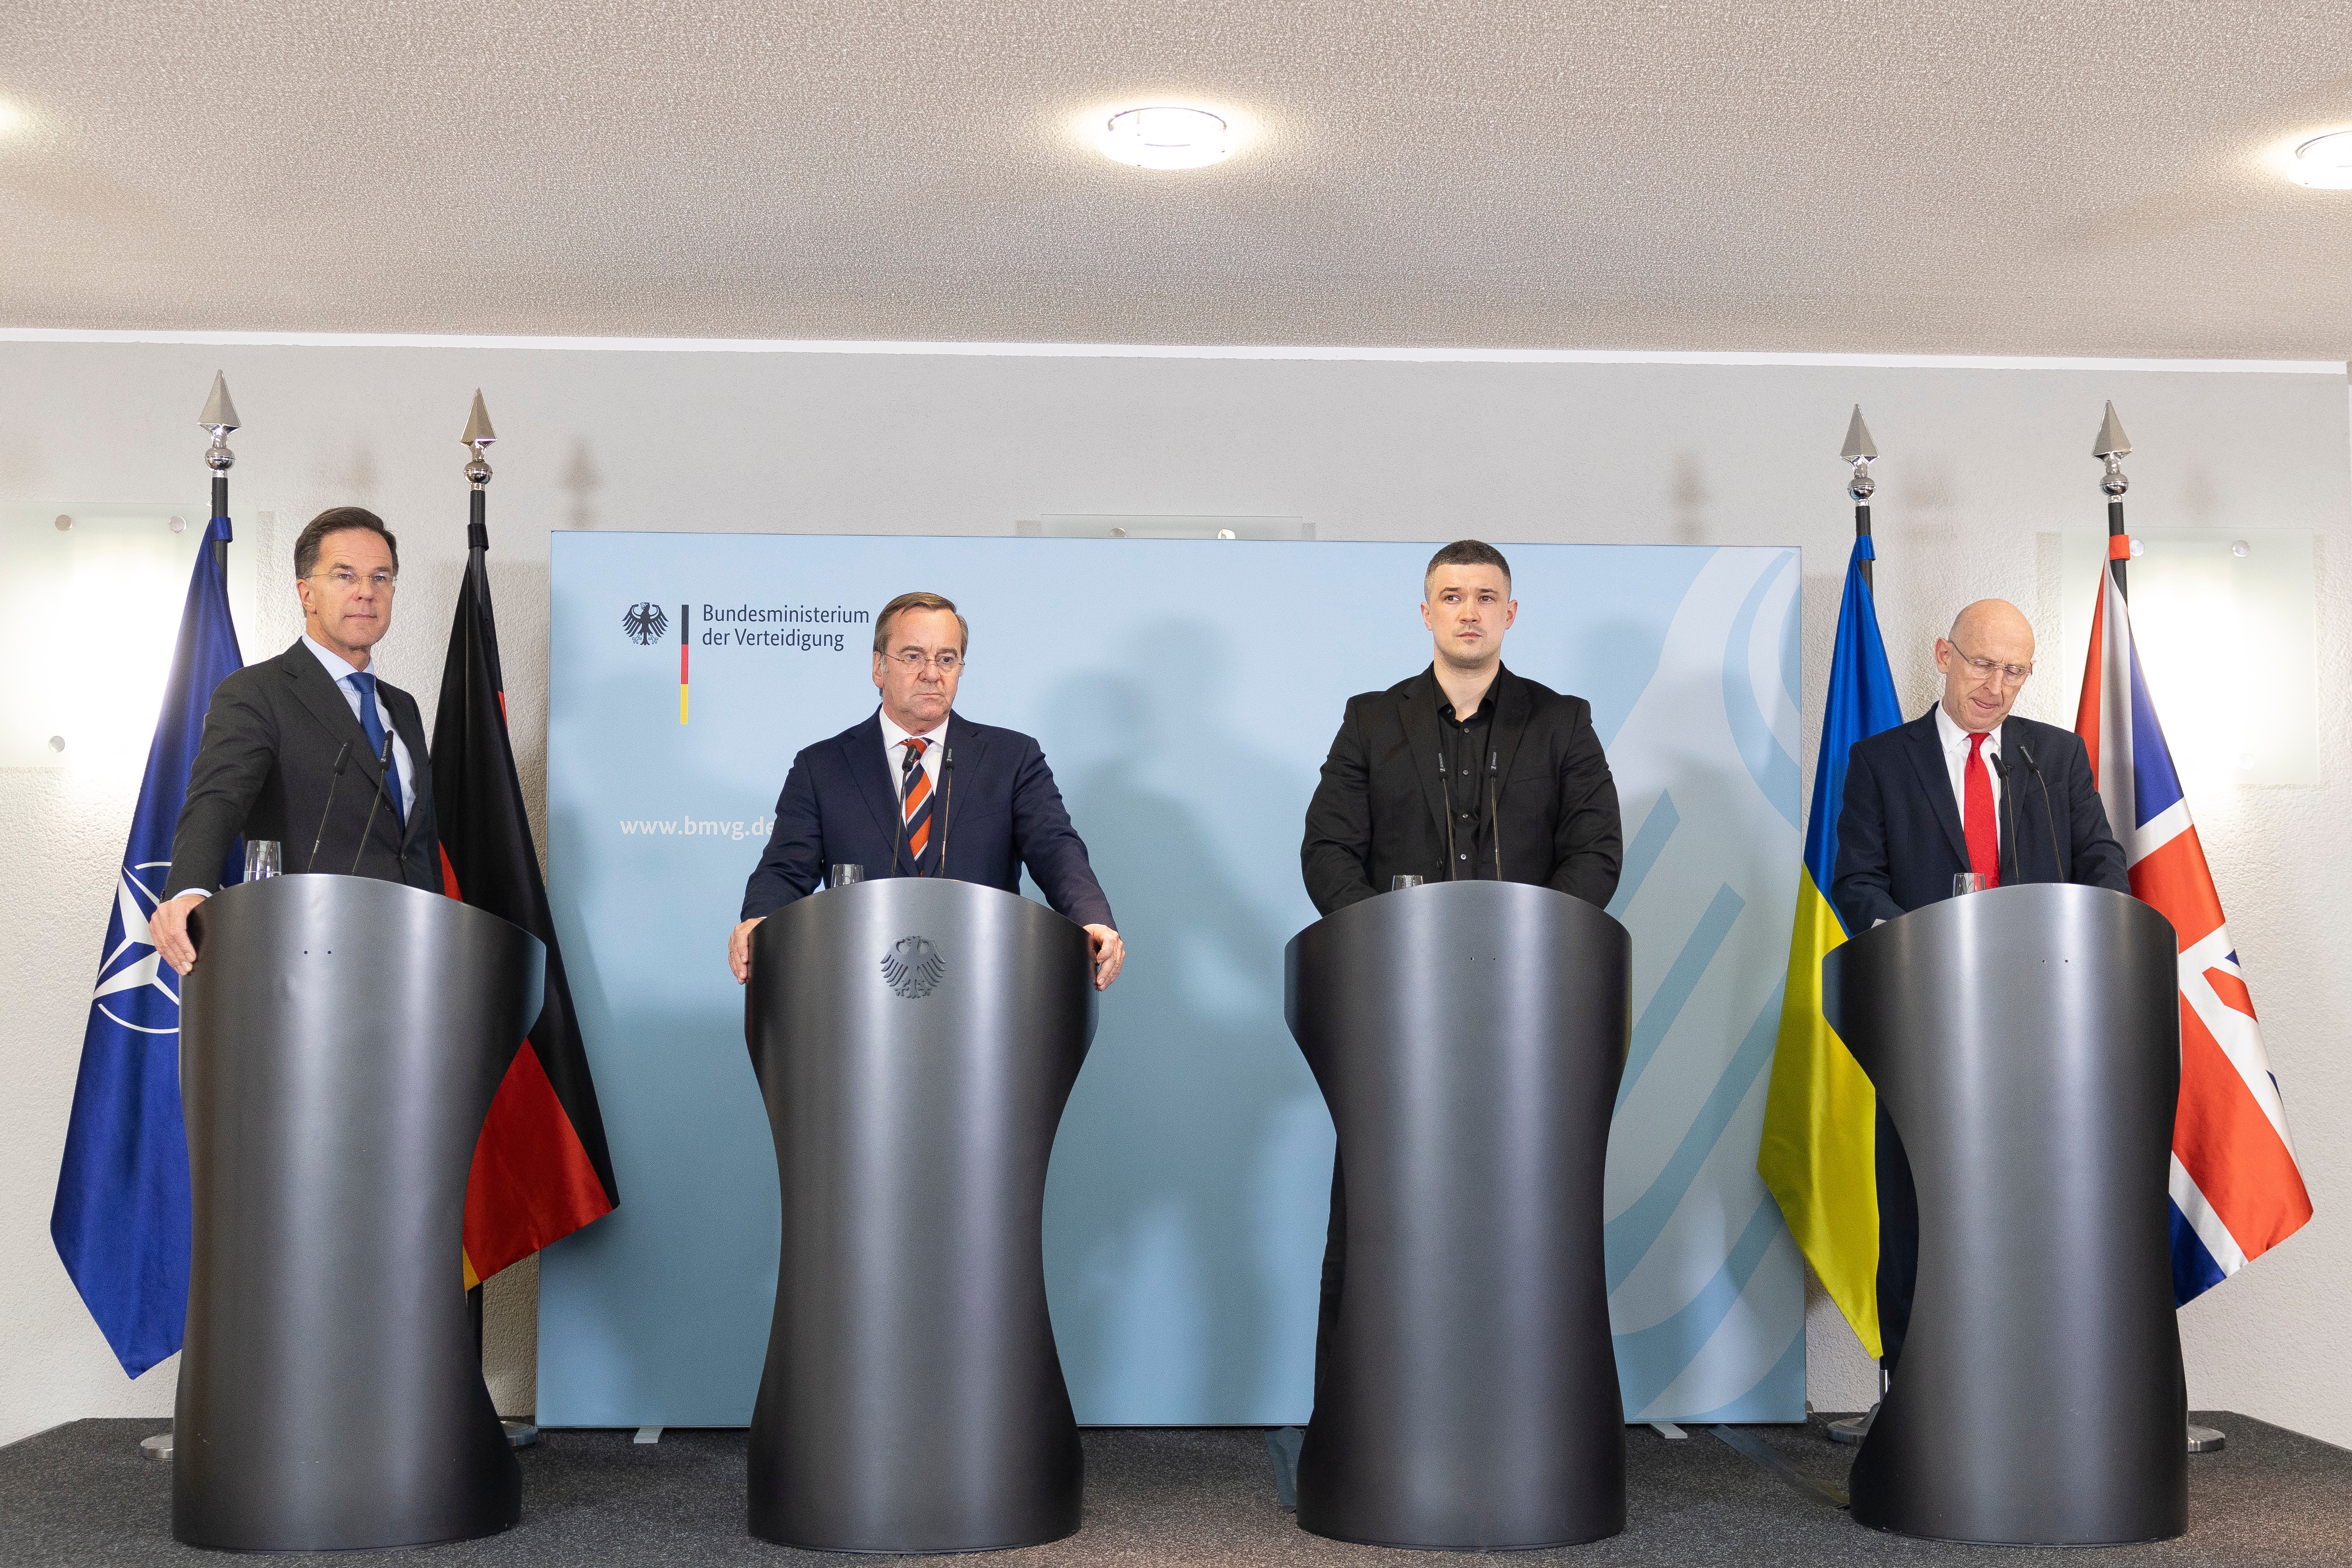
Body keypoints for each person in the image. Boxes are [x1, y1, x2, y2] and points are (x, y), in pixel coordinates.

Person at [1297, 538, 1624, 1397]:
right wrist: (1383, 940)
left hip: (1526, 1006)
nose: (1469, 610)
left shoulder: (1562, 721)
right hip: (1401, 1010)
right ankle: (1371, 1409)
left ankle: (1523, 1402)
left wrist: (1532, 940)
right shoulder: (1372, 719)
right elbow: (1328, 849)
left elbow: (1595, 852)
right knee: (1385, 1214)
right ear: (1426, 612)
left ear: (1509, 614)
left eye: (1485, 596)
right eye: (1452, 595)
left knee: (1523, 1214)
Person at [1830, 596, 2130, 1376]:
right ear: (1943, 654)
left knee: (2033, 1207)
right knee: (1915, 1204)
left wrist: (2097, 926)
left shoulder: (2051, 757)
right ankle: (1908, 1385)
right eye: (1981, 663)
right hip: (1925, 1013)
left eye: (2014, 670)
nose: (1995, 686)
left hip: (2039, 1016)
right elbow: (1855, 880)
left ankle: (2031, 1383)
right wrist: (1919, 948)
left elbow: (2098, 858)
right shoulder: (1879, 760)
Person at [729, 591, 1125, 990]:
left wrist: (1091, 917)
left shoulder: (1012, 758)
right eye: (914, 656)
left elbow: (1055, 849)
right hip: (859, 992)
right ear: (878, 667)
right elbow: (786, 869)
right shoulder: (822, 767)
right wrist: (759, 923)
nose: (932, 673)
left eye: (947, 659)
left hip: (982, 990)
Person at [149, 507, 440, 976]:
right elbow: (216, 801)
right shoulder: (258, 692)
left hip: (413, 961)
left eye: (381, 577)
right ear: (307, 593)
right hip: (309, 963)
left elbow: (413, 846)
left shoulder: (402, 708)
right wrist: (188, 891)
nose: (366, 591)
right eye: (345, 575)